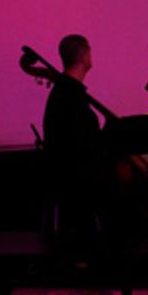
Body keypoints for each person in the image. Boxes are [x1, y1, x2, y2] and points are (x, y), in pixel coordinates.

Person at [41, 34, 114, 255]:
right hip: (79, 182)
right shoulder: (70, 95)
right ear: (83, 57)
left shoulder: (64, 92)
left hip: (73, 179)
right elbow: (81, 141)